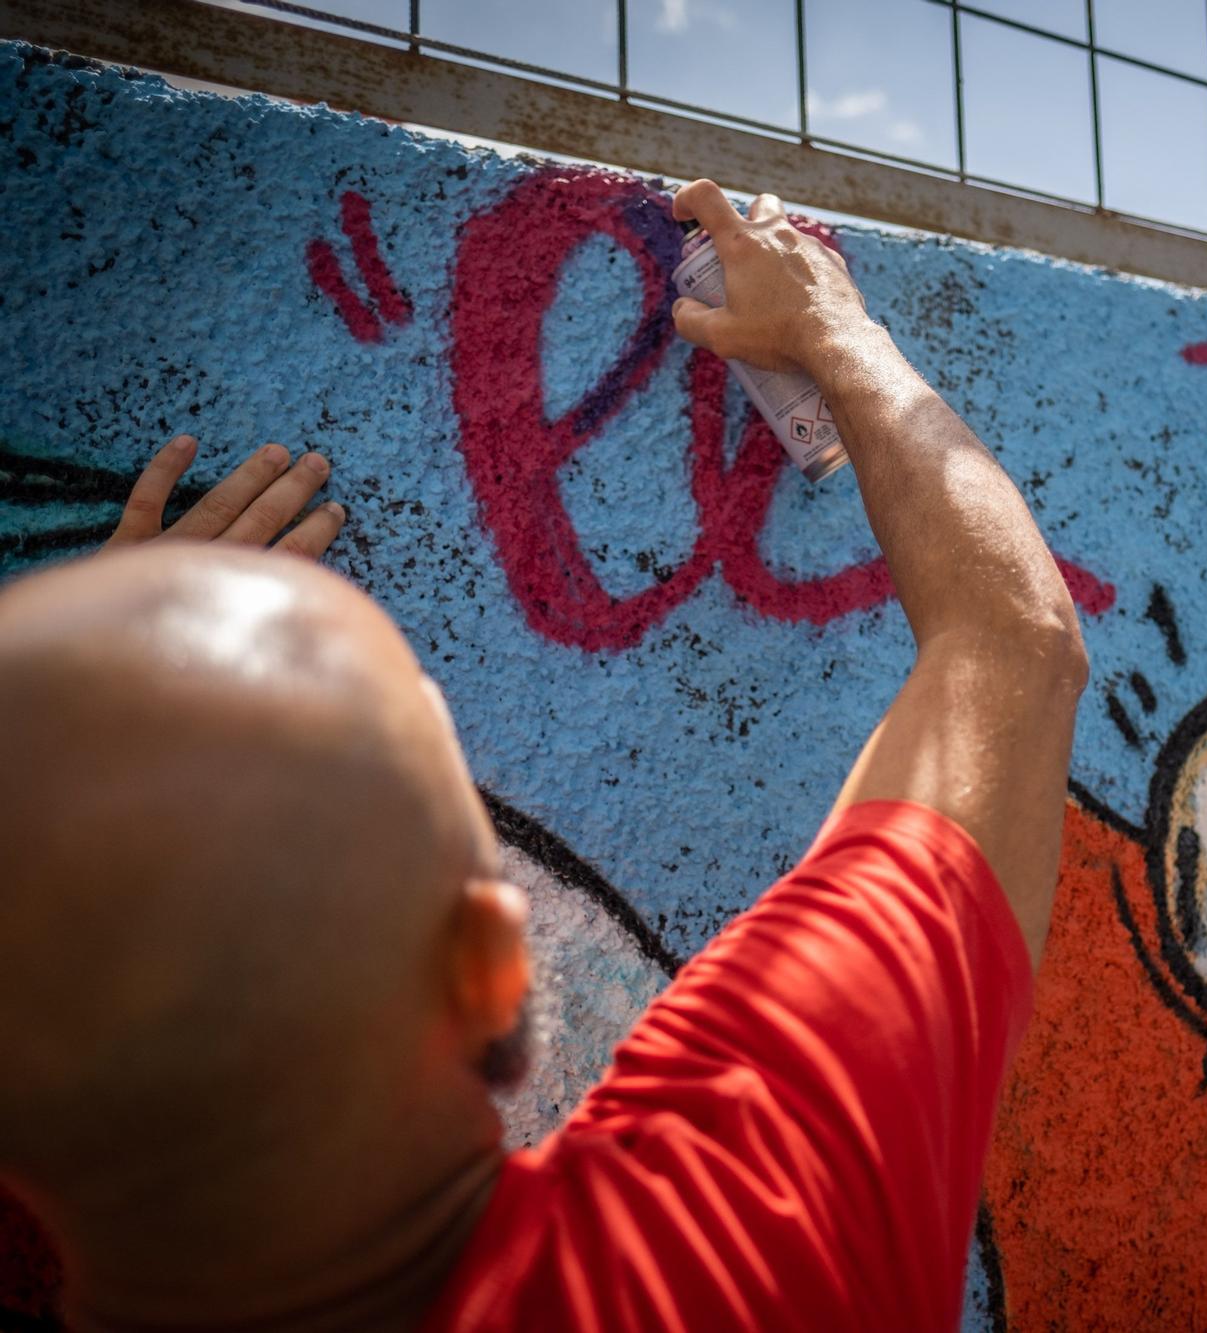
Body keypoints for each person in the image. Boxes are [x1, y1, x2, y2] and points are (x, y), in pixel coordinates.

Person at [0, 179, 1088, 1330]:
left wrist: (72, 707)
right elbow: (1009, 648)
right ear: (494, 971)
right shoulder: (730, 1254)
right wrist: (833, 330)